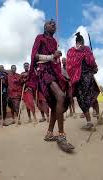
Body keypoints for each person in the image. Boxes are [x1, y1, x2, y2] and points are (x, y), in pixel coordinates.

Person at [27, 19, 74, 152]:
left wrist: (57, 57)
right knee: (60, 97)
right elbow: (34, 57)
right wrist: (51, 56)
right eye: (50, 23)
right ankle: (61, 135)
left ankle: (49, 134)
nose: (53, 25)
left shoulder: (54, 42)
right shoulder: (39, 38)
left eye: (55, 24)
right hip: (44, 73)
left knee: (55, 105)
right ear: (45, 26)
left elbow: (55, 60)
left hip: (54, 72)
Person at [66, 32, 102, 130]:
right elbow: (91, 62)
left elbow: (69, 67)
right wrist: (94, 68)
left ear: (76, 42)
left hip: (78, 80)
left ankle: (89, 122)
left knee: (82, 100)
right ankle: (98, 117)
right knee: (93, 96)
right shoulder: (86, 49)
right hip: (88, 77)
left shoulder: (70, 52)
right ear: (82, 41)